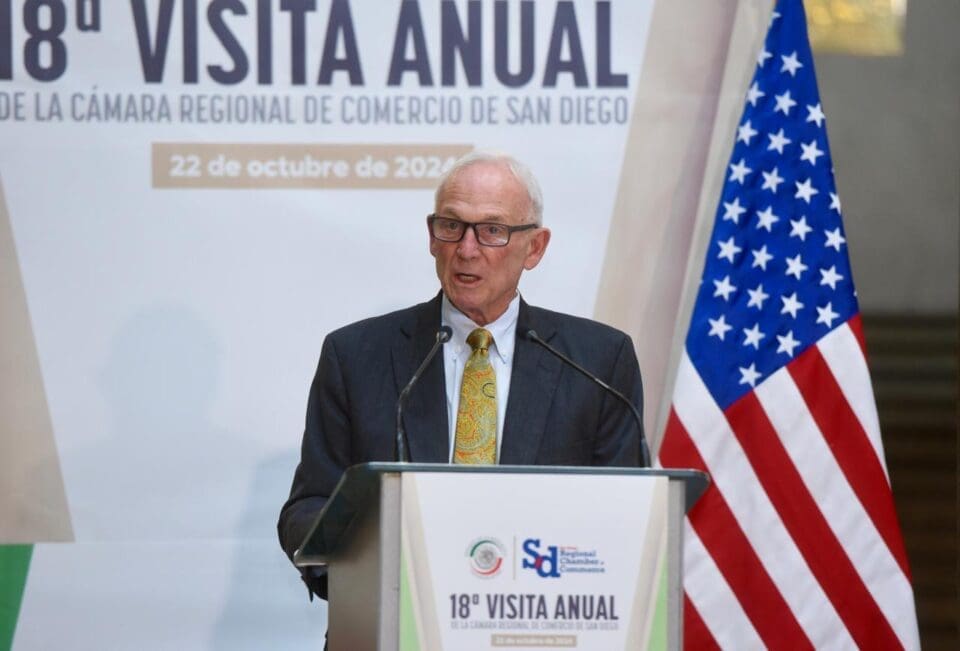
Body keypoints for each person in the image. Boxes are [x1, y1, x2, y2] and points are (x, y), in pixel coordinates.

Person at [278, 151, 643, 599]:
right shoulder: (355, 355)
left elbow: (626, 517)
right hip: (396, 611)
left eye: (492, 230)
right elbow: (308, 508)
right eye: (451, 226)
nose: (467, 250)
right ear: (432, 238)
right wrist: (364, 564)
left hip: (542, 615)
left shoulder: (597, 362)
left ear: (535, 247)